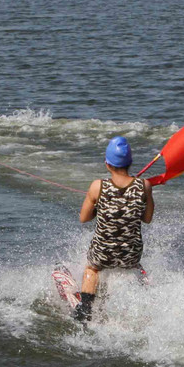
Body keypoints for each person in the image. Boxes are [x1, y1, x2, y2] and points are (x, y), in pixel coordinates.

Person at [72, 135, 154, 322]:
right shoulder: (145, 186)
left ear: (107, 164)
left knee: (92, 268)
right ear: (130, 163)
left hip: (103, 253)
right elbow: (147, 219)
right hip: (131, 255)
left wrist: (98, 210)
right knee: (134, 264)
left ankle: (85, 307)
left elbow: (83, 218)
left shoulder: (97, 186)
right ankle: (143, 296)